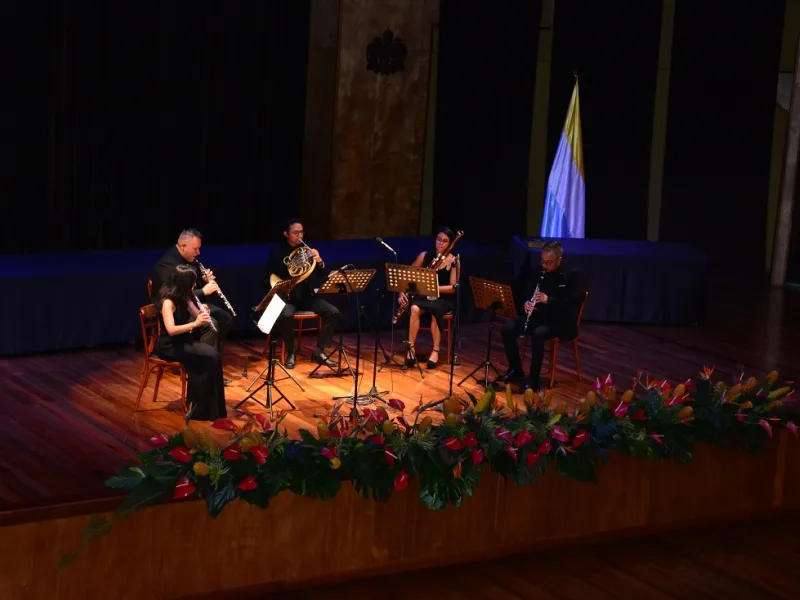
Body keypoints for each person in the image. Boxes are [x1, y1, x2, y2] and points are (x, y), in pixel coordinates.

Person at [150, 229, 234, 383]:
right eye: (195, 249)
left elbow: (191, 290)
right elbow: (175, 294)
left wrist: (204, 281)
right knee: (211, 325)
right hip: (176, 312)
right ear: (183, 246)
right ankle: (202, 369)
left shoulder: (190, 260)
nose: (198, 253)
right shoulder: (167, 265)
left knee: (225, 319)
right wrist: (204, 291)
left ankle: (211, 363)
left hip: (190, 303)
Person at [498, 241, 581, 392]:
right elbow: (527, 291)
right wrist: (527, 303)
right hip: (537, 316)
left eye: (548, 263)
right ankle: (515, 369)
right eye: (542, 261)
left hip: (558, 321)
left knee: (538, 334)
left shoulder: (569, 275)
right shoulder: (538, 271)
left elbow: (572, 302)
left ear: (559, 260)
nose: (544, 265)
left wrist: (549, 300)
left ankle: (533, 380)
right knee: (508, 328)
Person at [264, 218, 342, 369]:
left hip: (306, 296)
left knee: (334, 313)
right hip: (287, 297)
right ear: (286, 234)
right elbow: (269, 275)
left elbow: (322, 275)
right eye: (295, 233)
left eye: (301, 232)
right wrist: (291, 270)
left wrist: (319, 261)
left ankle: (319, 352)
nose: (299, 236)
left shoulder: (308, 251)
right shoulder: (277, 252)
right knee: (287, 316)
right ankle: (291, 352)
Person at [156, 264, 227, 421]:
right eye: (192, 282)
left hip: (184, 340)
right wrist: (195, 324)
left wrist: (203, 313)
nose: (195, 285)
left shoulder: (185, 296)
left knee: (214, 356)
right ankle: (199, 410)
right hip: (170, 345)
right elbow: (171, 330)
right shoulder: (168, 302)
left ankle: (214, 410)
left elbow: (198, 316)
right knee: (209, 356)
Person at [397, 226, 459, 369]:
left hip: (443, 299)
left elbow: (452, 288)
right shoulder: (424, 256)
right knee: (414, 308)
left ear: (450, 244)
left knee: (435, 311)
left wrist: (432, 288)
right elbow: (407, 275)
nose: (440, 243)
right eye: (438, 239)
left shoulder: (453, 261)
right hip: (425, 297)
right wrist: (401, 292)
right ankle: (411, 348)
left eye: (445, 241)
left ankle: (435, 351)